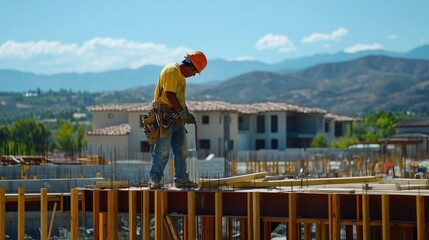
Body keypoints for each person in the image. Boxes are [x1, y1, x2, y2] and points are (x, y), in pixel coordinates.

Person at [149, 51, 207, 189]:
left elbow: (179, 98)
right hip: (165, 116)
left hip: (176, 117)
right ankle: (155, 180)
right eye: (194, 72)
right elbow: (169, 95)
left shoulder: (180, 76)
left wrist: (185, 113)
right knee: (162, 150)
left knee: (182, 150)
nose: (193, 75)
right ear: (190, 66)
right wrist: (182, 112)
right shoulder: (172, 70)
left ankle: (181, 178)